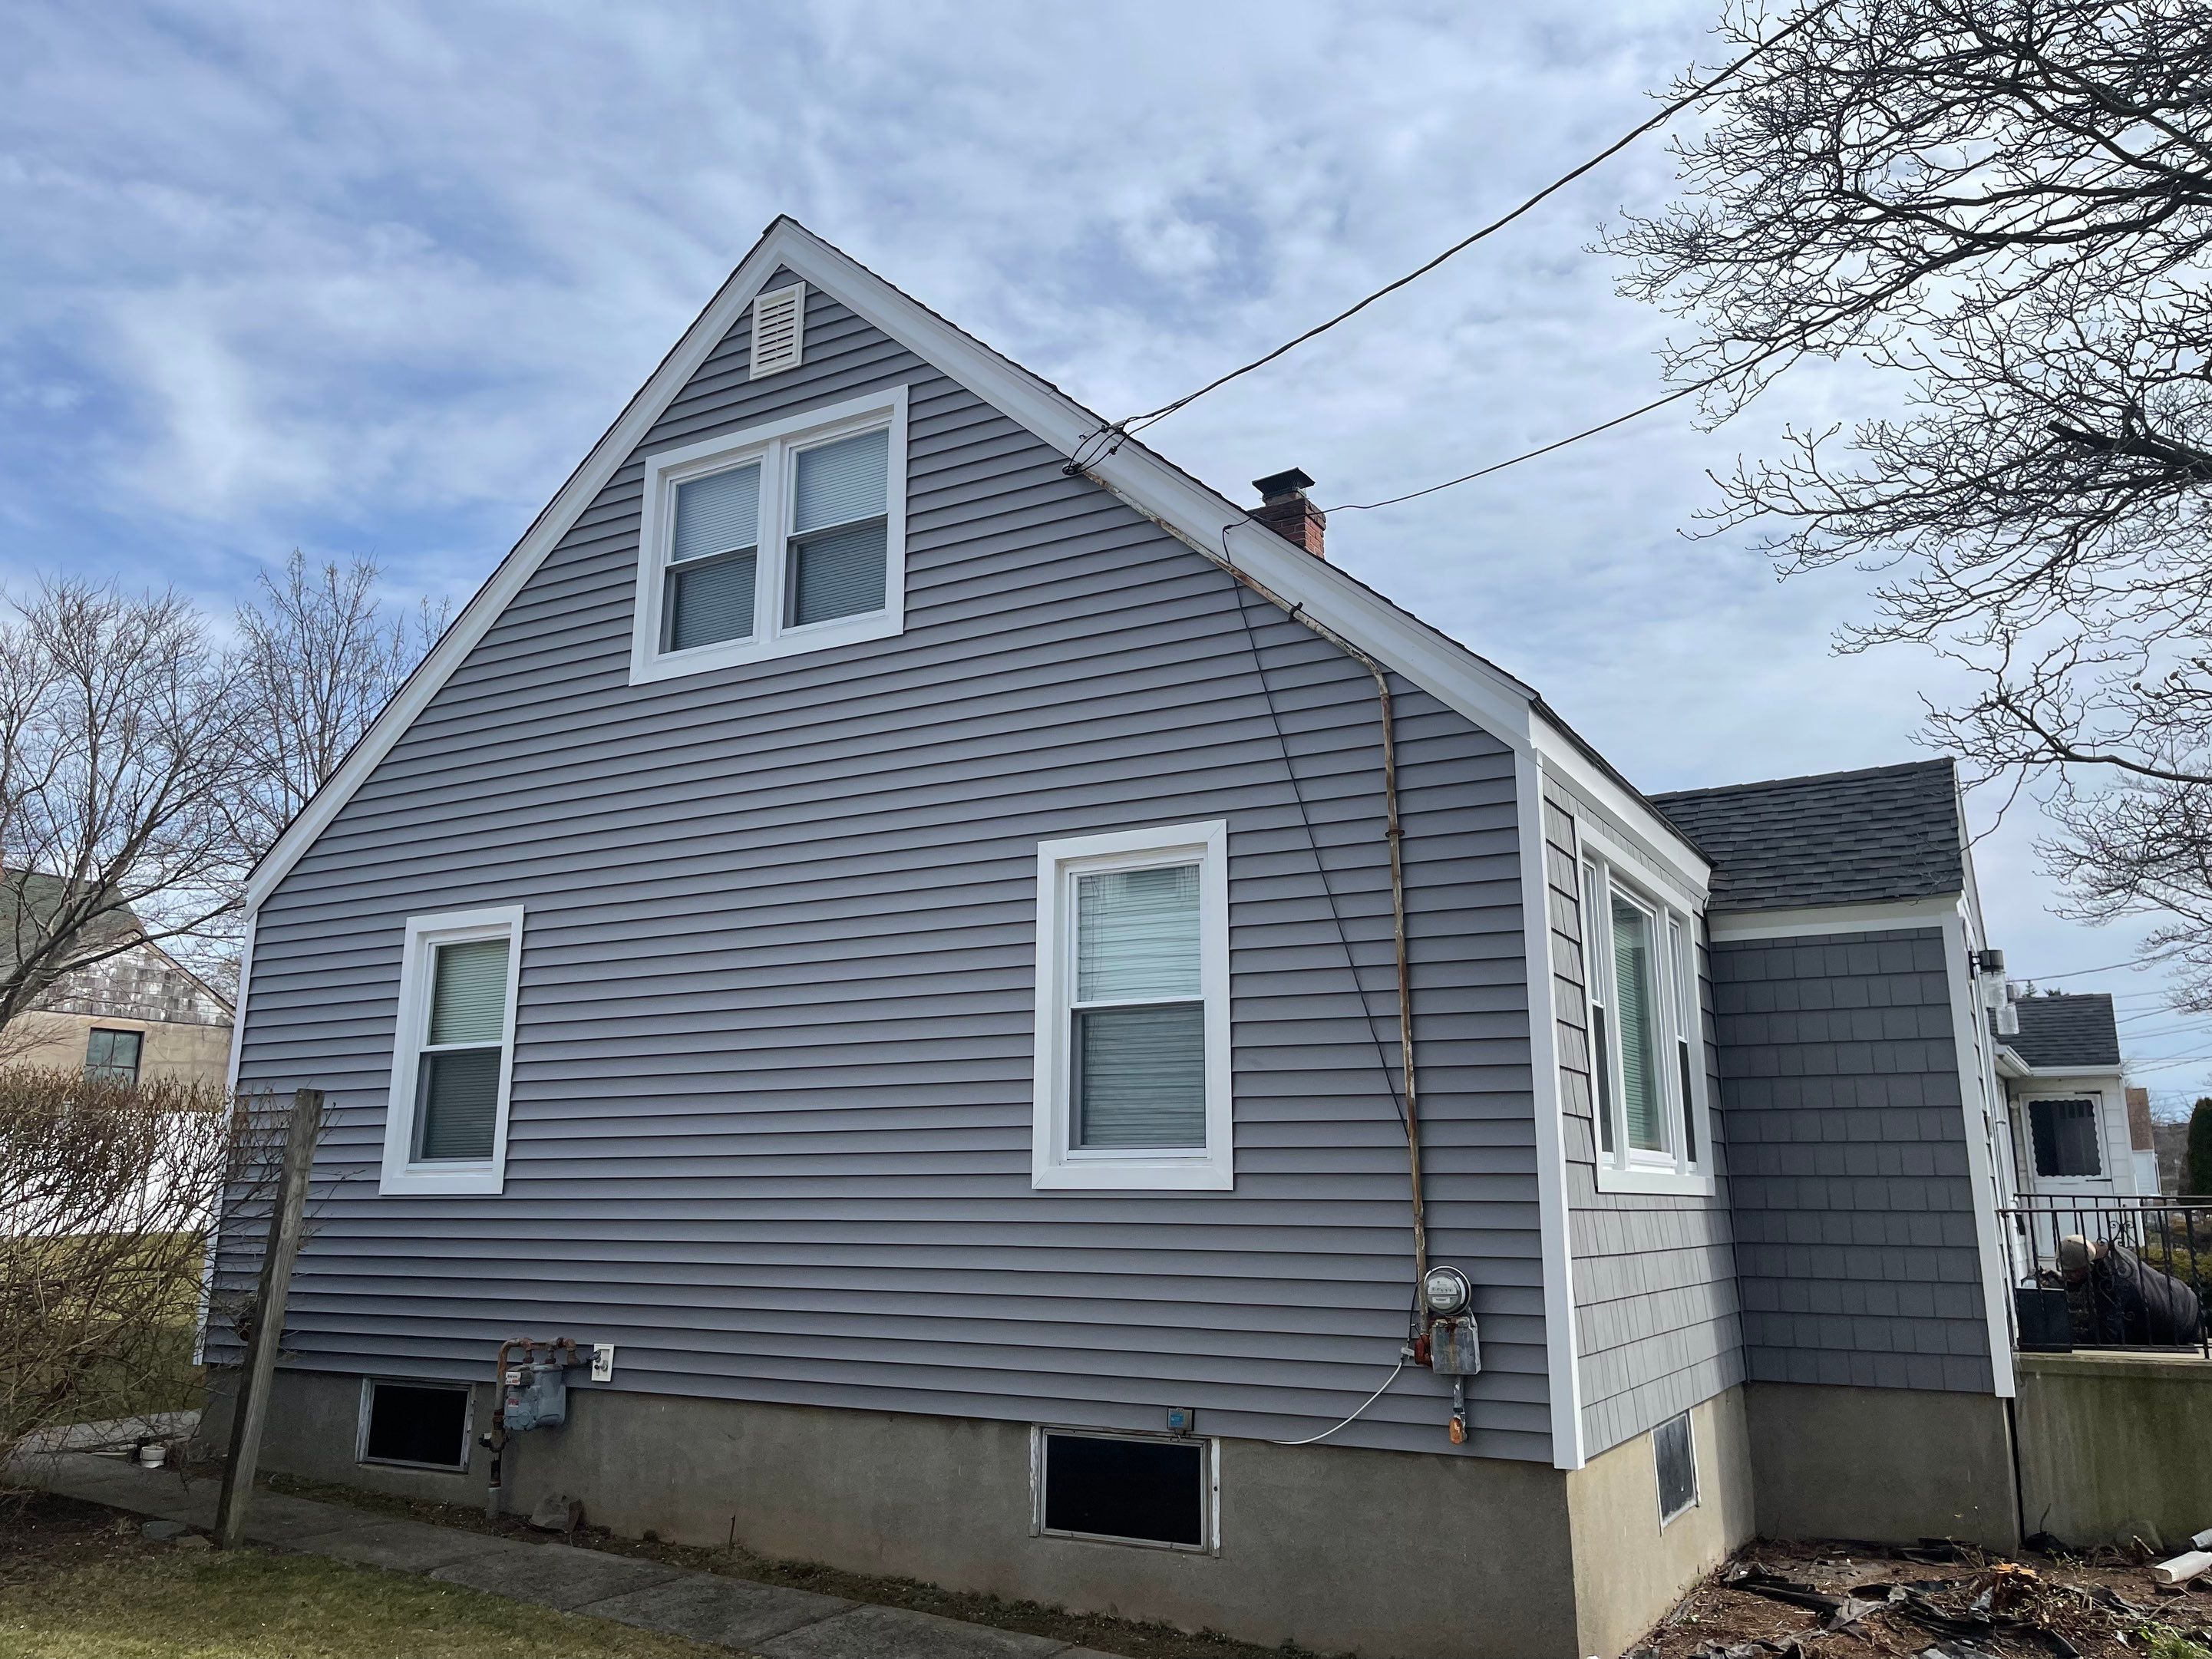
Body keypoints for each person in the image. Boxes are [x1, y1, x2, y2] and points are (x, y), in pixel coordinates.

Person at [2055, 1233, 2206, 1347]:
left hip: (2177, 1321)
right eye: (2065, 1271)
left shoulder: (2110, 1279)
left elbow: (2106, 1336)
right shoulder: (2109, 1251)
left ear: (2089, 1266)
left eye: (2073, 1272)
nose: (2068, 1276)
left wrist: (2069, 1339)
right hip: (2180, 1298)